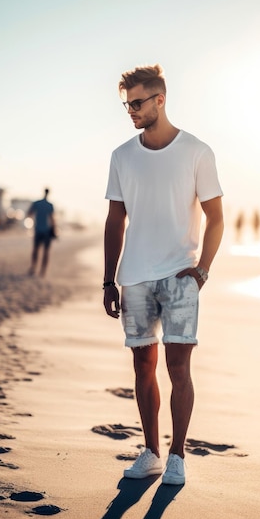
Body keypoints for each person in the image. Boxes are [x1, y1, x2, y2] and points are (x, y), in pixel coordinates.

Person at [103, 64, 224, 485]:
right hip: (133, 276)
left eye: (137, 102)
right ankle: (151, 451)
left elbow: (216, 218)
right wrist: (108, 279)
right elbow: (114, 220)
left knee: (179, 368)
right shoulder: (122, 156)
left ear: (160, 99)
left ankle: (177, 456)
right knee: (142, 367)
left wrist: (202, 270)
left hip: (180, 276)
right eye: (126, 103)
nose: (130, 110)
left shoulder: (196, 151)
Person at [27, 188, 56, 277]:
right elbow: (52, 219)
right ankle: (43, 271)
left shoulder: (37, 203)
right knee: (46, 251)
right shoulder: (50, 205)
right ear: (49, 193)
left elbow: (29, 213)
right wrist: (54, 229)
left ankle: (33, 267)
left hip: (38, 229)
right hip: (47, 231)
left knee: (36, 249)